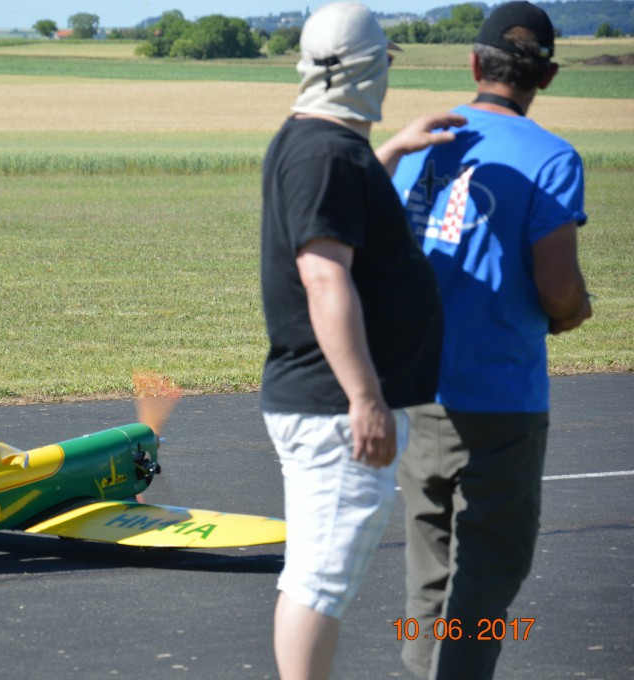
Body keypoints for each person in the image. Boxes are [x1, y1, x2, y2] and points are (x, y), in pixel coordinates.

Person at [383, 3, 593, 677]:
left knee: (429, 561)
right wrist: (573, 312)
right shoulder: (554, 159)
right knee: (491, 562)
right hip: (503, 393)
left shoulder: (423, 139)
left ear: (474, 65)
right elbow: (558, 286)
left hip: (423, 389)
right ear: (548, 77)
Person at [259, 3, 463, 677]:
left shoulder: (319, 144)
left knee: (314, 576)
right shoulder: (325, 153)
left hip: (319, 405)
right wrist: (366, 398)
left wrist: (393, 150)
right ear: (373, 69)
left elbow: (337, 198)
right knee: (320, 584)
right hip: (332, 411)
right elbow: (324, 278)